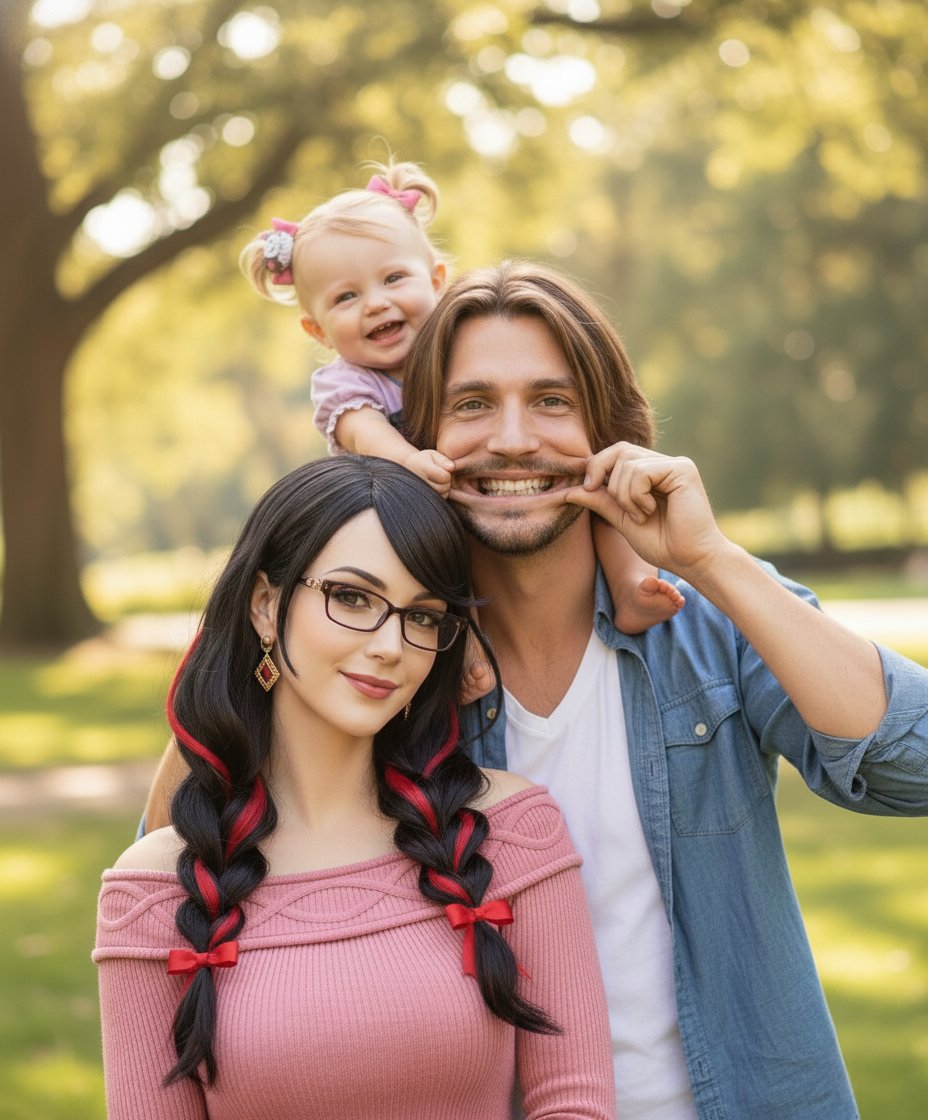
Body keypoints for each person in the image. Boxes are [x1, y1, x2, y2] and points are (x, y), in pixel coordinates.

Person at [396, 260, 928, 1120]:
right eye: (471, 404)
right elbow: (189, 864)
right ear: (418, 435)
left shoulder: (706, 621)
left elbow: (917, 768)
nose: (513, 438)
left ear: (611, 431)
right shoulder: (391, 667)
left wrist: (712, 561)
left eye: (552, 401)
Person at [93, 456, 615, 1119]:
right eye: (353, 598)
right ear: (264, 605)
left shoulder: (508, 832)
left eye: (423, 616)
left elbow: (574, 1102)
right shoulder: (156, 889)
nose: (392, 644)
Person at [239, 157, 683, 641]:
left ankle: (630, 583)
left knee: (601, 498)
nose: (375, 303)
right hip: (402, 507)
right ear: (317, 329)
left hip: (459, 489)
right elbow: (359, 428)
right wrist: (409, 461)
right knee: (428, 568)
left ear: (435, 279)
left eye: (392, 279)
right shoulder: (345, 381)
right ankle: (466, 646)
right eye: (346, 298)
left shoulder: (463, 352)